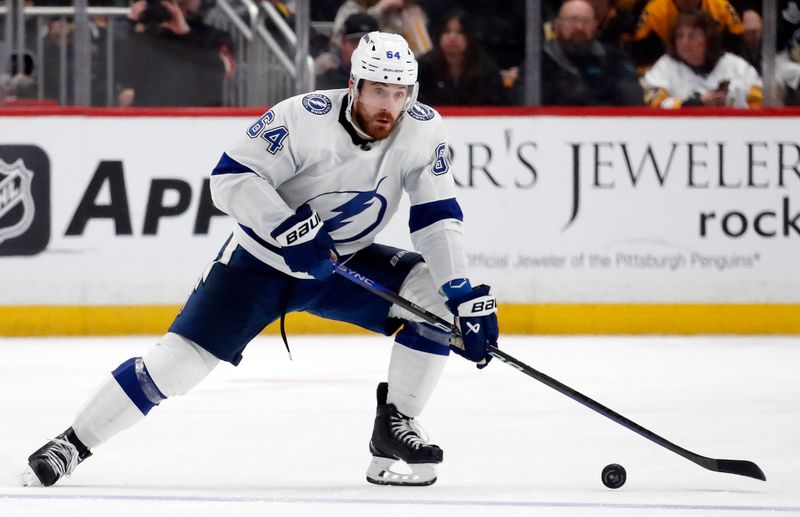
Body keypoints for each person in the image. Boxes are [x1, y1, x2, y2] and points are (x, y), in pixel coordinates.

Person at [22, 31, 499, 488]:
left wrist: (460, 294)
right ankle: (71, 444)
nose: (389, 107)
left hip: (340, 267)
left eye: (400, 94)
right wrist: (285, 228)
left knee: (436, 301)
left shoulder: (422, 128)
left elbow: (437, 217)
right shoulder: (301, 117)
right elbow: (228, 178)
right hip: (256, 268)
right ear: (354, 85)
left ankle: (394, 428)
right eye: (378, 92)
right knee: (176, 367)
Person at [640, 11, 762, 108]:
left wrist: (733, 105)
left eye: (692, 35)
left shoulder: (737, 66)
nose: (685, 42)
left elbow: (762, 102)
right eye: (679, 36)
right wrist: (696, 103)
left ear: (709, 39)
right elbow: (654, 106)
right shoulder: (664, 67)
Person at [538, 0, 644, 106]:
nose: (579, 27)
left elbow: (634, 106)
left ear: (595, 26)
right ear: (557, 26)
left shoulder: (615, 61)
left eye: (586, 21)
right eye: (571, 20)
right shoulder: (538, 62)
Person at [416, 9, 508, 106]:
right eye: (447, 31)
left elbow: (498, 106)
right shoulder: (424, 66)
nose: (452, 37)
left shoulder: (486, 69)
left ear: (470, 37)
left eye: (460, 32)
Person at [627, 0, 746, 71]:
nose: (686, 42)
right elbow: (643, 62)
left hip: (716, 70)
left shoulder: (721, 8)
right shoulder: (654, 13)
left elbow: (737, 51)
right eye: (680, 36)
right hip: (670, 73)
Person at [316, 12, 380, 90]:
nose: (362, 49)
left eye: (369, 44)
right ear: (343, 43)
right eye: (356, 43)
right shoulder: (327, 73)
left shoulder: (383, 77)